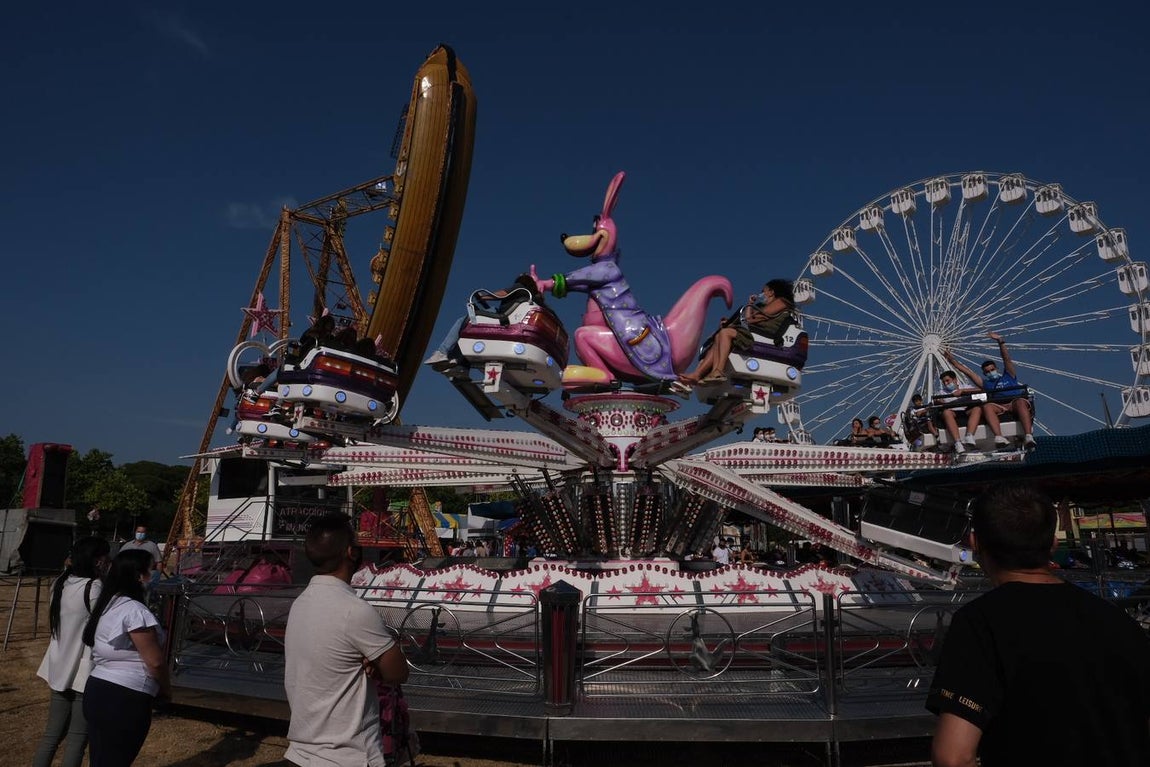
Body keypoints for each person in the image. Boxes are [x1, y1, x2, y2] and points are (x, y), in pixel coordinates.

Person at [927, 484, 1150, 766]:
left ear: (975, 543)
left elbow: (953, 757)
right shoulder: (1117, 620)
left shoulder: (980, 623)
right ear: (1052, 545)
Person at [284, 512, 409, 766]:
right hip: (348, 755)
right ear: (351, 553)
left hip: (303, 751)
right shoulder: (354, 610)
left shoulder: (300, 603)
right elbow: (398, 672)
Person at [81, 549, 170, 766]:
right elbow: (155, 661)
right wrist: (166, 690)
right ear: (139, 576)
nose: (155, 574)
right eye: (151, 570)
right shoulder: (134, 611)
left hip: (98, 689)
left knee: (102, 759)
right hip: (125, 696)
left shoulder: (108, 603)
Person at [34, 537, 111, 767]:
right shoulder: (94, 588)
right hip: (82, 670)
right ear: (98, 561)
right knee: (77, 739)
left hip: (58, 666)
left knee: (51, 735)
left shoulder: (60, 582)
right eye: (106, 558)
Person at [678, 278, 796, 387]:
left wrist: (742, 320)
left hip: (764, 335)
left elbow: (752, 319)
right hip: (755, 332)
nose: (762, 294)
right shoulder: (761, 306)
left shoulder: (782, 302)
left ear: (771, 291)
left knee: (725, 333)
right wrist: (750, 304)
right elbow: (750, 319)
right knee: (719, 336)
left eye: (763, 291)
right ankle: (697, 374)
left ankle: (718, 371)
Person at [425, 273, 542, 371]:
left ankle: (442, 352)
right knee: (474, 327)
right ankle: (459, 361)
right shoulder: (532, 299)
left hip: (502, 318)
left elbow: (502, 294)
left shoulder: (519, 286)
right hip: (511, 322)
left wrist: (484, 297)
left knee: (464, 321)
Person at [944, 333, 1037, 450]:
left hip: (1014, 403)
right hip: (999, 405)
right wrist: (951, 360)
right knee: (987, 406)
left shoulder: (1009, 375)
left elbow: (1006, 358)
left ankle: (1028, 436)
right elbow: (967, 372)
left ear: (996, 369)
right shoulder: (986, 384)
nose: (990, 372)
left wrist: (1000, 341)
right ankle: (999, 436)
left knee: (1020, 402)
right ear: (984, 374)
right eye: (987, 371)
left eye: (992, 369)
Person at [932, 369, 982, 454]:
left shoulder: (965, 387)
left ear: (955, 379)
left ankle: (969, 436)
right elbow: (935, 401)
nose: (946, 383)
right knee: (946, 413)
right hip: (953, 412)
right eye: (944, 382)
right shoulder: (942, 392)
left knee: (977, 408)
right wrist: (939, 401)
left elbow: (979, 390)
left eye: (947, 380)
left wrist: (963, 391)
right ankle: (957, 442)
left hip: (966, 410)